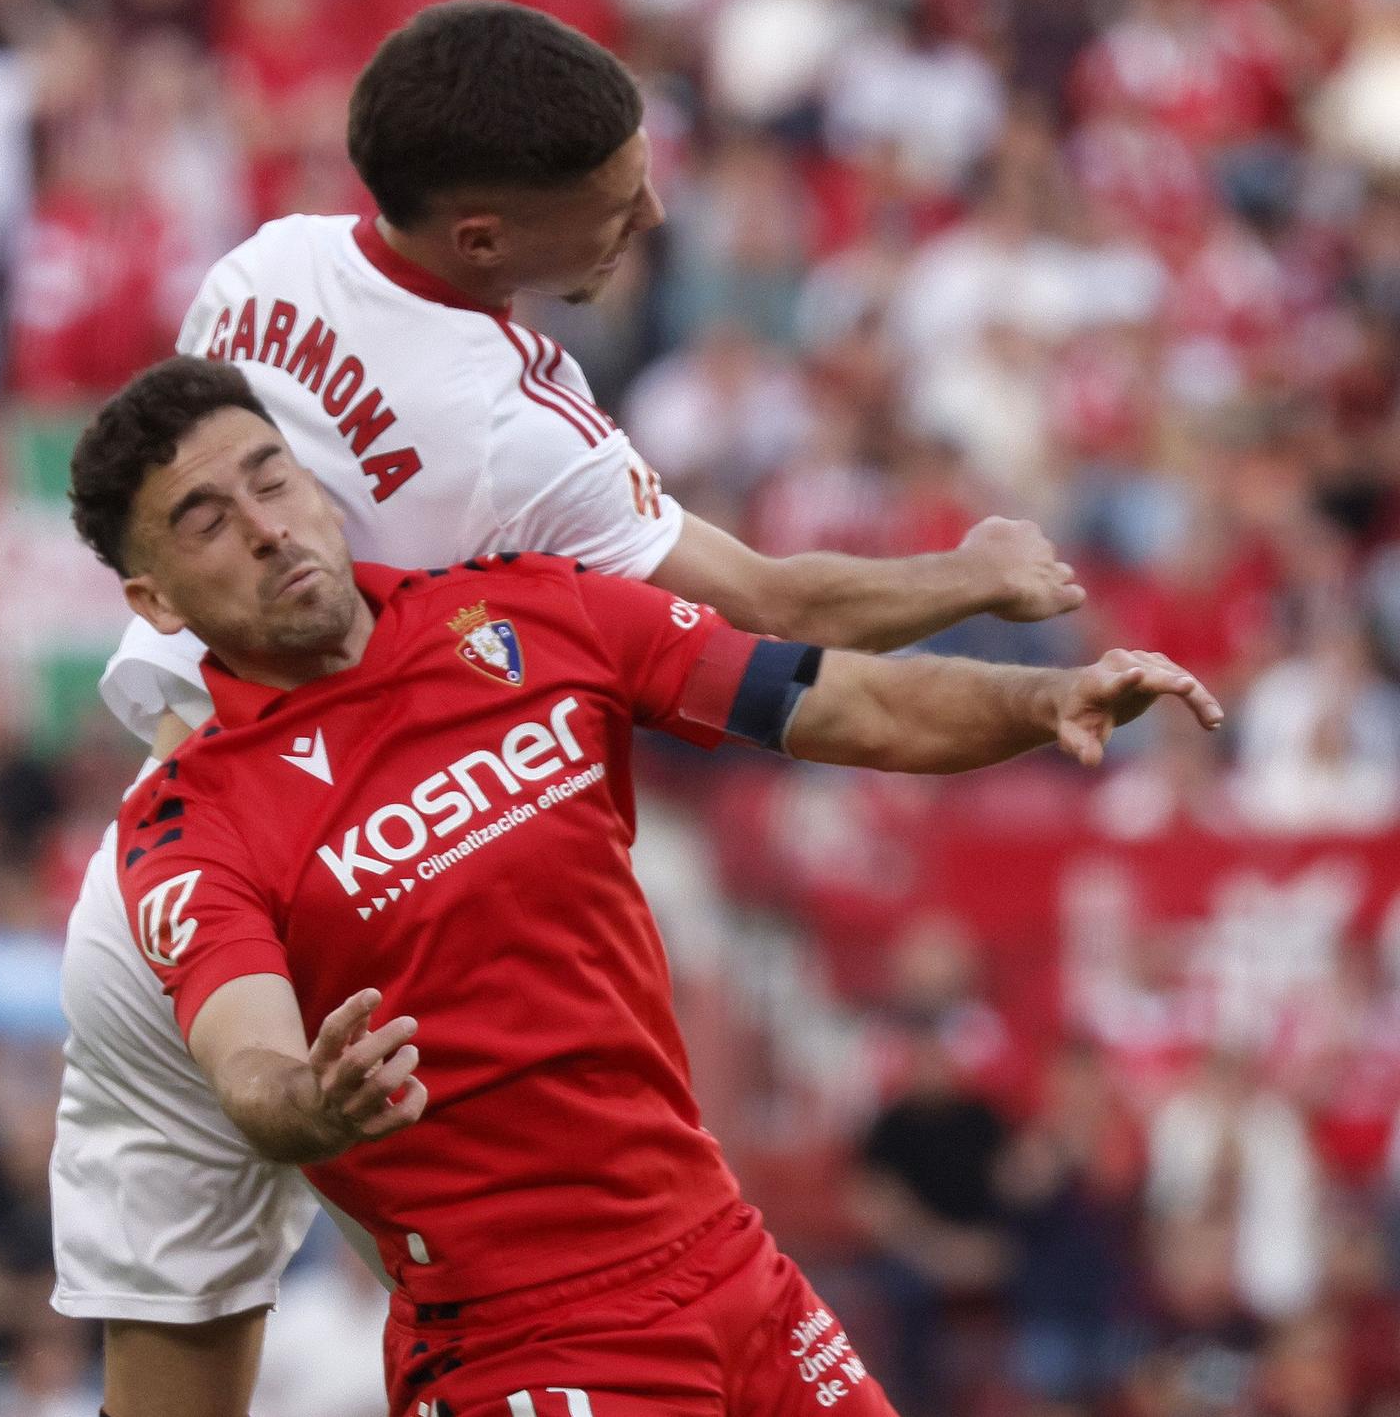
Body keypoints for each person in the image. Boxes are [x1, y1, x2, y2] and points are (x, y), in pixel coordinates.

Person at [52, 0, 1088, 1416]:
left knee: (179, 1366)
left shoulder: (265, 263)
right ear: (481, 236)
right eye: (614, 198)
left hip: (157, 879)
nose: (650, 210)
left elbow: (165, 465)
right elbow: (773, 605)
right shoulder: (514, 430)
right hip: (350, 894)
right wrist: (967, 571)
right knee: (523, 1287)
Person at [67, 356, 1221, 1417]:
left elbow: (840, 698)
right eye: (207, 522)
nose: (267, 528)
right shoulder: (189, 820)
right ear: (156, 602)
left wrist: (1039, 701)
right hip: (529, 1341)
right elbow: (247, 1059)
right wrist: (305, 1103)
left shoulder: (528, 609)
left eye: (272, 478)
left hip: (728, 1260)